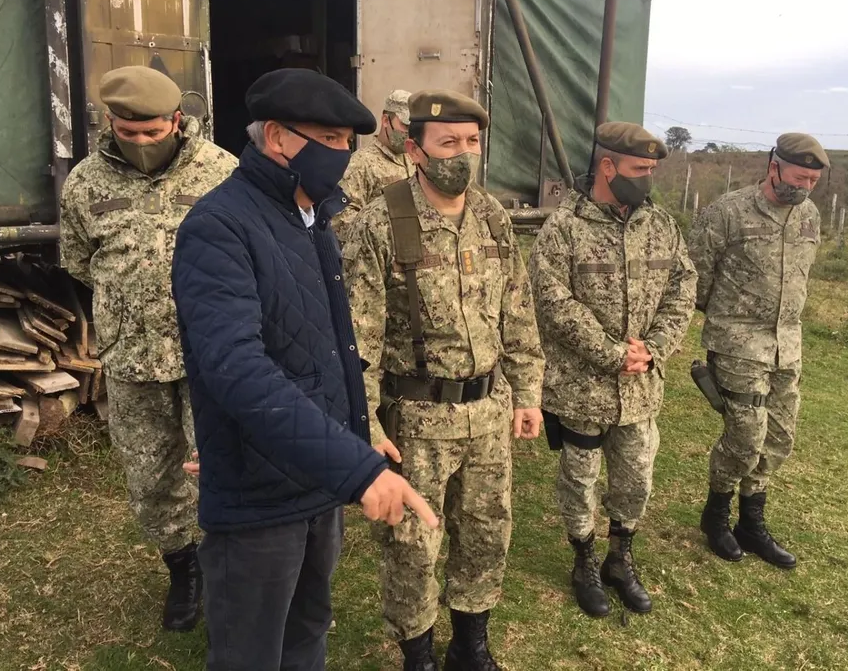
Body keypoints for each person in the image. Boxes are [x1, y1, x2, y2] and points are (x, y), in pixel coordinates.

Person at [170, 68, 437, 671]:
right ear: (276, 139)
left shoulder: (311, 217)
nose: (342, 154)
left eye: (348, 142)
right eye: (330, 138)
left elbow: (323, 348)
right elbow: (236, 368)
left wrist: (356, 431)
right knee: (252, 651)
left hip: (313, 479)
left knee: (307, 629)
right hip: (260, 498)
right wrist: (358, 470)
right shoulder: (220, 226)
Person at [344, 89, 545, 671]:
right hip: (416, 421)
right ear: (415, 149)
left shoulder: (490, 215)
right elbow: (361, 340)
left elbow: (518, 310)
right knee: (411, 545)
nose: (463, 153)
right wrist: (368, 424)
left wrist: (527, 392)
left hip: (487, 412)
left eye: (472, 141)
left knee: (486, 532)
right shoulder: (381, 222)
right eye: (448, 142)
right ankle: (418, 655)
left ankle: (470, 645)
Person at [59, 65, 237, 632]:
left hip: (212, 357)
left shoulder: (223, 173)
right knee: (151, 476)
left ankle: (230, 569)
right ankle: (183, 568)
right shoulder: (85, 183)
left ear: (176, 121)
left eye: (152, 132)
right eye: (127, 132)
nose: (139, 143)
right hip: (132, 356)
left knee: (219, 467)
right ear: (110, 122)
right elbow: (80, 262)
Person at [529, 122, 697, 617]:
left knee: (637, 477)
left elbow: (682, 289)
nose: (647, 178)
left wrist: (654, 347)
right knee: (580, 479)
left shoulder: (660, 225)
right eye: (639, 169)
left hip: (641, 387)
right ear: (608, 166)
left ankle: (620, 558)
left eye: (651, 170)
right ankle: (583, 559)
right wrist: (611, 352)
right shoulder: (564, 227)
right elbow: (552, 302)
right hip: (582, 388)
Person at [690, 133, 828, 569]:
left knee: (779, 437)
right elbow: (695, 276)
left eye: (813, 180)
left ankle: (751, 522)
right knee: (746, 436)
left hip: (788, 346)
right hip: (736, 343)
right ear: (774, 167)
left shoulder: (810, 217)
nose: (804, 187)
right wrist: (724, 320)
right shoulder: (727, 213)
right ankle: (715, 517)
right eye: (798, 176)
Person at [334, 89, 416, 241]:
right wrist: (383, 234)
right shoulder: (361, 163)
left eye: (413, 128)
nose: (409, 133)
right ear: (386, 120)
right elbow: (340, 218)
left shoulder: (413, 159)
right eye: (405, 126)